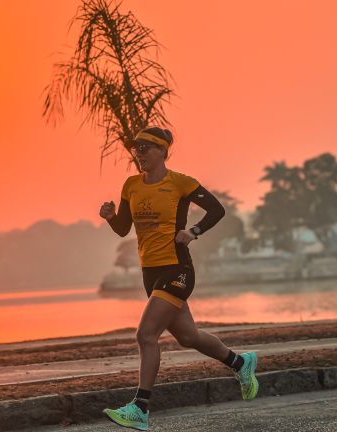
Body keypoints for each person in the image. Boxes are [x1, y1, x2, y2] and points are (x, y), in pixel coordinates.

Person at [98, 127, 258, 431]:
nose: (139, 154)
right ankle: (241, 363)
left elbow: (217, 209)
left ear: (162, 152)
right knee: (188, 337)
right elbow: (122, 228)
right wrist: (109, 217)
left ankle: (140, 408)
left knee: (145, 335)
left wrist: (193, 232)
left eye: (145, 148)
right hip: (151, 271)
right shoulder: (131, 185)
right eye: (136, 149)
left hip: (177, 269)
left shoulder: (180, 183)